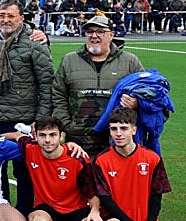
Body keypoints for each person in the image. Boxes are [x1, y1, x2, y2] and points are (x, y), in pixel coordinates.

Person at [0, 0, 54, 211]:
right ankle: (0, 211)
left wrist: (41, 119)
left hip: (24, 119)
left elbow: (47, 84)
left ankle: (25, 213)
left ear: (21, 18)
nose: (6, 20)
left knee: (24, 170)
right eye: (2, 15)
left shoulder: (34, 43)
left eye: (11, 16)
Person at [1, 117, 101, 221]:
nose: (47, 140)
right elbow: (16, 135)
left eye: (53, 135)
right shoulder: (30, 149)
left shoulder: (77, 158)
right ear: (35, 136)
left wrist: (94, 211)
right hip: (47, 208)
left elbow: (91, 192)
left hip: (76, 209)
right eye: (42, 135)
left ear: (62, 136)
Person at [93, 107, 171, 221]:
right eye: (114, 129)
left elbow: (156, 200)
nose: (118, 134)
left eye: (123, 128)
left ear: (134, 130)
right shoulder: (101, 160)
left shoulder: (152, 159)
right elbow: (105, 200)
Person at [51, 14, 144, 157]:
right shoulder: (69, 60)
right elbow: (58, 94)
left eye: (100, 31)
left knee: (113, 179)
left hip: (115, 142)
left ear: (111, 35)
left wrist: (137, 103)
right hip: (77, 143)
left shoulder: (130, 61)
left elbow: (146, 93)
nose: (94, 36)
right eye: (90, 32)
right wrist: (67, 125)